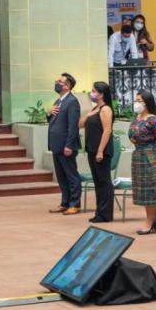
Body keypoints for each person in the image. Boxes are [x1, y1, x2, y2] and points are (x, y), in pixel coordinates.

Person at [129, 90, 156, 234]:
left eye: (140, 101)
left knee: (150, 190)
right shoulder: (137, 117)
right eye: (136, 100)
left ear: (147, 103)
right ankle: (151, 219)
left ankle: (150, 221)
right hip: (138, 155)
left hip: (150, 156)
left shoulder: (153, 120)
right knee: (142, 190)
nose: (136, 103)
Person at [48, 73, 83, 215]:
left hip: (66, 146)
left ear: (67, 86)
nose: (57, 83)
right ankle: (65, 202)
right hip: (56, 145)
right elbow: (53, 119)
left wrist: (69, 145)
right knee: (61, 176)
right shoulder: (58, 101)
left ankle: (75, 204)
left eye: (60, 81)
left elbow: (73, 126)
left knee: (71, 175)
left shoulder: (72, 101)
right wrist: (49, 113)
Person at [79, 82, 115, 223]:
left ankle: (105, 214)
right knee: (97, 182)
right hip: (91, 149)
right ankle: (99, 212)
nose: (91, 93)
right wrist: (89, 114)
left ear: (101, 94)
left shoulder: (106, 109)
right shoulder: (95, 108)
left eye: (94, 91)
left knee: (104, 182)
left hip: (101, 151)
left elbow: (107, 130)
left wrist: (100, 151)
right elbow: (80, 124)